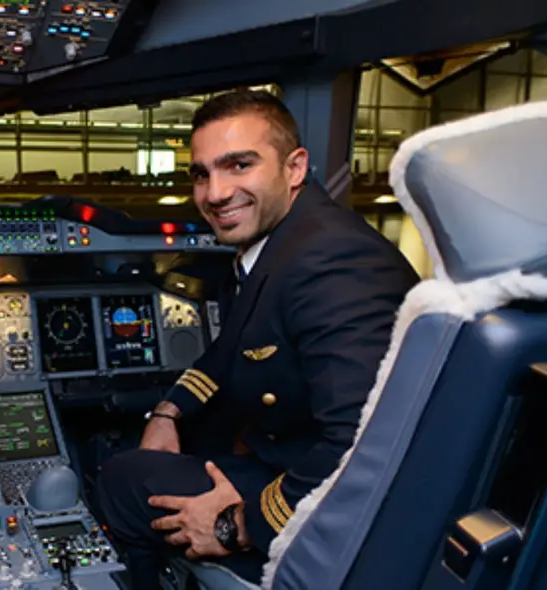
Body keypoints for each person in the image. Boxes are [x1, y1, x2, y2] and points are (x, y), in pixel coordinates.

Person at [95, 90, 420, 589]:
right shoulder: (279, 245)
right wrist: (168, 412)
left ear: (294, 168)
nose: (216, 193)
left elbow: (364, 442)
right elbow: (229, 351)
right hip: (297, 461)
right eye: (202, 174)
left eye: (239, 166)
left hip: (333, 506)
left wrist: (237, 524)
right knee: (178, 443)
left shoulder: (331, 260)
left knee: (121, 480)